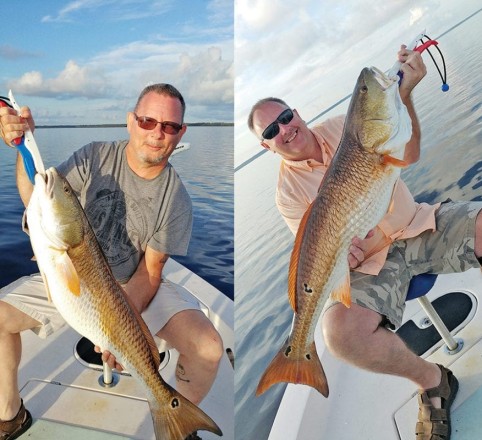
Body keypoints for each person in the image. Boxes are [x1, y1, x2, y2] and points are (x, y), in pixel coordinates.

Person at [248, 46, 482, 439]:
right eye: (272, 131)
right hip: (372, 264)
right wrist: (348, 256)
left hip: (417, 225)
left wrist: (403, 96)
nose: (284, 129)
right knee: (339, 333)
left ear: (297, 113)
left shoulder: (345, 128)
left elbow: (407, 154)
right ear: (266, 146)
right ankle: (433, 381)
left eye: (285, 117)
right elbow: (319, 251)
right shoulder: (287, 195)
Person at [0, 83, 223, 440]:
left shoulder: (176, 198)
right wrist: (21, 145)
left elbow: (151, 273)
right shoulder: (94, 157)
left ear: (181, 132)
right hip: (71, 274)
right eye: (148, 121)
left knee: (209, 347)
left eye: (169, 126)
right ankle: (10, 418)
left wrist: (118, 330)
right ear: (131, 121)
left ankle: (175, 426)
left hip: (133, 283)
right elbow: (35, 197)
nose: (157, 133)